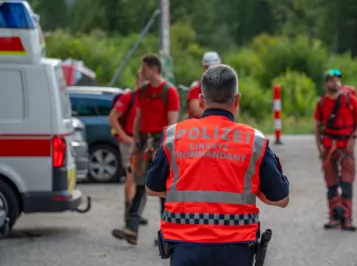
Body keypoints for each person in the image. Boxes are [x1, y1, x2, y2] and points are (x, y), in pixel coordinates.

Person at [146, 64, 289, 266]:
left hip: (186, 249)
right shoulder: (254, 140)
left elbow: (152, 188)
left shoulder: (175, 135)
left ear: (201, 101)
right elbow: (281, 198)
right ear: (237, 100)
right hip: (236, 251)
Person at [112, 54, 180, 245]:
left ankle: (167, 235)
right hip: (143, 144)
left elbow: (173, 123)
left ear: (154, 69)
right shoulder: (142, 92)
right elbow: (138, 119)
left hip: (161, 144)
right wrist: (134, 144)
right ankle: (131, 229)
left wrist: (167, 149)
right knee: (140, 186)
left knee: (163, 190)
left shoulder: (169, 92)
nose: (141, 72)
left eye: (144, 69)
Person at [314, 69, 357, 231]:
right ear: (325, 84)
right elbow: (317, 127)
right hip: (329, 146)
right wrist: (319, 146)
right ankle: (334, 216)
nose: (335, 82)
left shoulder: (349, 99)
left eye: (337, 79)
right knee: (331, 184)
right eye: (331, 80)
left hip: (346, 146)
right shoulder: (322, 103)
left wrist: (354, 138)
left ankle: (347, 218)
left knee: (346, 183)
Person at [109, 70, 149, 232]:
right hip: (129, 143)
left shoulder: (148, 99)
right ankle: (129, 214)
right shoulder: (129, 97)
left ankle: (135, 213)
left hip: (142, 142)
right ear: (138, 80)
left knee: (140, 179)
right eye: (143, 79)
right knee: (132, 177)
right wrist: (124, 136)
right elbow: (112, 117)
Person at [186, 51, 221, 119]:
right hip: (199, 126)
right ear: (204, 67)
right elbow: (195, 110)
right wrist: (215, 119)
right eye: (209, 67)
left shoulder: (226, 86)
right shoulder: (196, 87)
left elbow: (234, 108)